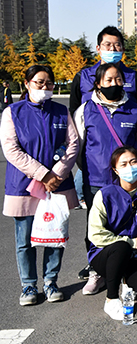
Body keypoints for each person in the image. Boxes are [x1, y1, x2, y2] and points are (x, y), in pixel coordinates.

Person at [1, 65, 79, 305]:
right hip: (24, 185)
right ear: (27, 84)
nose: (45, 87)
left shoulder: (61, 111)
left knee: (55, 235)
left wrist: (57, 174)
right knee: (25, 240)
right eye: (39, 82)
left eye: (49, 83)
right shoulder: (12, 112)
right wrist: (43, 174)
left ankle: (51, 281)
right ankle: (28, 286)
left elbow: (73, 144)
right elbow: (11, 149)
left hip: (57, 185)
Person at [74, 62, 137, 283]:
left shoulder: (134, 109)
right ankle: (97, 270)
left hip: (127, 181)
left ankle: (127, 268)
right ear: (98, 83)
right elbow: (78, 146)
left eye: (118, 79)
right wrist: (90, 168)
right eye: (108, 80)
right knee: (96, 226)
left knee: (128, 223)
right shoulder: (86, 110)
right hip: (96, 180)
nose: (114, 83)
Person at [86, 146, 137, 319]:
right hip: (107, 254)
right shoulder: (104, 195)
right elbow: (95, 234)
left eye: (134, 162)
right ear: (115, 170)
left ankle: (126, 282)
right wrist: (130, 242)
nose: (130, 167)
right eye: (123, 164)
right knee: (121, 247)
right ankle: (111, 299)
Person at [69, 26, 137, 116]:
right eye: (107, 44)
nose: (112, 49)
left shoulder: (135, 78)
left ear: (123, 49)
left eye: (117, 45)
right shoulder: (83, 77)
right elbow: (73, 112)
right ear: (98, 49)